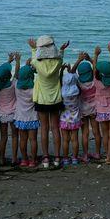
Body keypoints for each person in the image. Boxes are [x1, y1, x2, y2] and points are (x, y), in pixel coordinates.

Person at [29, 35, 69, 169]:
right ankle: (57, 157)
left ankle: (46, 157)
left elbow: (34, 57)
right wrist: (62, 50)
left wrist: (33, 48)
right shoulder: (58, 62)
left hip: (41, 99)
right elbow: (59, 56)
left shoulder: (37, 63)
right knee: (55, 128)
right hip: (56, 99)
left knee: (44, 129)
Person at [93, 43, 110, 165]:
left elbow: (94, 70)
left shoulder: (97, 82)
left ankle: (107, 154)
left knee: (105, 134)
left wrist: (95, 55)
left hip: (102, 111)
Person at [60, 56, 85, 166]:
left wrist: (62, 71)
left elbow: (60, 81)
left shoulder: (62, 92)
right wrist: (78, 62)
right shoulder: (78, 92)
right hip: (75, 120)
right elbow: (76, 82)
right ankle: (74, 158)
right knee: (75, 139)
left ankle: (65, 159)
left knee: (65, 140)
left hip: (64, 119)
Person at [14, 58, 39, 168]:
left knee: (23, 140)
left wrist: (19, 63)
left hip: (20, 118)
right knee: (33, 140)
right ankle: (33, 161)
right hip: (32, 117)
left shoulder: (16, 87)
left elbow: (16, 75)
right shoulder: (34, 89)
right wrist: (29, 66)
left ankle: (24, 160)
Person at [0, 55, 18, 166]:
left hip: (2, 114)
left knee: (3, 137)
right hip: (13, 113)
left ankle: (2, 158)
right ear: (9, 76)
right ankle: (14, 158)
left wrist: (8, 61)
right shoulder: (13, 84)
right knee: (14, 136)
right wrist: (17, 62)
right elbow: (17, 73)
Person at [77, 57, 102, 162]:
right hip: (94, 109)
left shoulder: (78, 82)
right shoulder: (95, 80)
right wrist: (93, 58)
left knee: (85, 133)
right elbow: (96, 69)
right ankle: (97, 153)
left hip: (83, 110)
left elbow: (71, 73)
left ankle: (86, 155)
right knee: (96, 132)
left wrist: (78, 60)